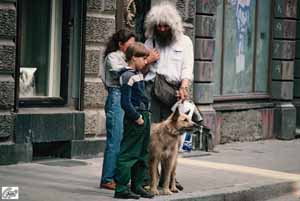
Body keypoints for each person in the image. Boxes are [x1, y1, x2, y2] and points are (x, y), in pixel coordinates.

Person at [143, 2, 194, 190]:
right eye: (159, 26)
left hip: (174, 94)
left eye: (165, 26)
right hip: (152, 92)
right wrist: (149, 60)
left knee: (174, 141)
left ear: (172, 26)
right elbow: (142, 67)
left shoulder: (185, 42)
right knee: (153, 139)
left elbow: (188, 68)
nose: (162, 29)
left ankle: (170, 178)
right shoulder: (150, 42)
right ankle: (151, 178)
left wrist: (184, 86)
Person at [114, 42, 154, 199]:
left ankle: (137, 185)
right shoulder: (127, 76)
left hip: (144, 116)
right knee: (129, 153)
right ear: (132, 58)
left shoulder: (138, 73)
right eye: (143, 58)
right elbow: (125, 102)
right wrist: (137, 118)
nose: (146, 61)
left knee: (142, 153)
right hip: (135, 118)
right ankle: (121, 188)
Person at [100, 29, 136, 190]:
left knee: (123, 139)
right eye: (130, 45)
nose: (132, 48)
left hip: (126, 96)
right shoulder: (113, 57)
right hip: (116, 96)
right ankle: (107, 178)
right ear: (121, 44)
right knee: (114, 139)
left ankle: (117, 176)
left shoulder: (127, 57)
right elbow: (122, 73)